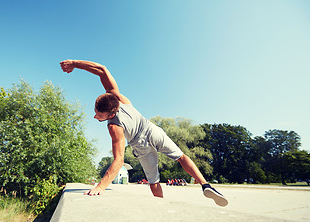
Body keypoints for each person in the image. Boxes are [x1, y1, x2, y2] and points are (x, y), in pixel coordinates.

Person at [60, 59, 228, 207]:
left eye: (99, 115)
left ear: (111, 115)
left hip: (140, 145)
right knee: (181, 157)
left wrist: (100, 186)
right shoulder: (118, 98)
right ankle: (205, 185)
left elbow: (119, 160)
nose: (95, 116)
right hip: (152, 130)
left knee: (154, 182)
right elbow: (102, 70)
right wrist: (75, 63)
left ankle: (163, 208)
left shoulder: (114, 126)